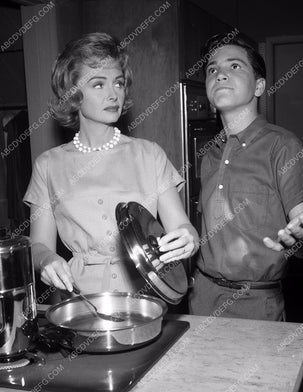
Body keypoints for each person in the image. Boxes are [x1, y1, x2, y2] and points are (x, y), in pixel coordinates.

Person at [24, 32, 199, 295]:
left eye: (118, 83)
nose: (113, 94)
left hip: (145, 295)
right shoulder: (48, 165)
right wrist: (46, 261)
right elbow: (39, 245)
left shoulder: (150, 155)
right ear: (72, 93)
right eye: (98, 84)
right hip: (80, 299)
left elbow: (183, 228)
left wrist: (188, 240)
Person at [189, 33, 303, 321]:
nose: (220, 74)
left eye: (235, 66)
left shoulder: (283, 146)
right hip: (201, 299)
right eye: (212, 69)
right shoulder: (208, 154)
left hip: (256, 304)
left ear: (259, 86)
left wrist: (301, 240)